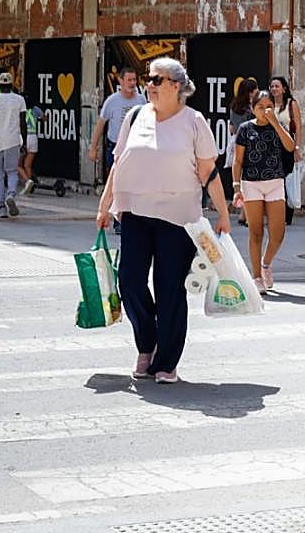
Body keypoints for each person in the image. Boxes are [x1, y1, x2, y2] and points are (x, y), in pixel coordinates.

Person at [95, 57, 229, 384]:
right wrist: (105, 204)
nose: (149, 85)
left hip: (178, 218)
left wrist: (223, 213)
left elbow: (208, 172)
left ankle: (166, 362)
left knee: (169, 289)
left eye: (157, 80)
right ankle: (147, 343)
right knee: (129, 281)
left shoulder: (194, 121)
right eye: (148, 79)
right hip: (136, 213)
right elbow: (118, 163)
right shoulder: (135, 116)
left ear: (176, 86)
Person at [232, 91, 295, 293]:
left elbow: (290, 146)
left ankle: (266, 263)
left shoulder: (278, 125)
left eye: (269, 106)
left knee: (278, 233)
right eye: (261, 106)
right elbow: (238, 160)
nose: (265, 110)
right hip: (251, 183)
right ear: (253, 108)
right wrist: (236, 186)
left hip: (275, 182)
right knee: (256, 232)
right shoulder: (245, 128)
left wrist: (275, 123)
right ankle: (257, 276)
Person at [89, 66, 145, 230]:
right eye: (129, 80)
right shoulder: (112, 101)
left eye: (134, 80)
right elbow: (100, 124)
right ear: (120, 81)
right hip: (116, 148)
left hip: (136, 148)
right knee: (117, 185)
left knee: (134, 186)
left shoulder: (141, 100)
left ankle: (129, 218)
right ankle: (117, 220)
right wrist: (93, 147)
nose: (132, 83)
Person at [0, 72, 27, 218]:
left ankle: (1, 207)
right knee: (12, 172)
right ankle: (11, 194)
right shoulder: (19, 100)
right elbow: (23, 123)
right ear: (11, 84)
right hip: (13, 141)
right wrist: (24, 142)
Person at [269, 76, 302, 224]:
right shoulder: (268, 105)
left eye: (277, 86)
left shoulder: (291, 104)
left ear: (284, 89)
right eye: (272, 86)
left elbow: (299, 127)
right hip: (271, 148)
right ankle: (276, 214)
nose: (274, 89)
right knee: (275, 180)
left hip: (286, 147)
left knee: (284, 180)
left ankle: (287, 215)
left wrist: (297, 148)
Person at [225, 78, 258, 224]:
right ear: (251, 92)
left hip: (237, 144)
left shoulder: (234, 106)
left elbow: (232, 128)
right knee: (250, 181)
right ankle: (245, 215)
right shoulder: (251, 109)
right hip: (250, 145)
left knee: (243, 179)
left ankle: (243, 214)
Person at [18, 104, 42, 195]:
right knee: (27, 165)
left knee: (17, 165)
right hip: (33, 138)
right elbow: (44, 118)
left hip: (23, 137)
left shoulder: (20, 109)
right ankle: (28, 187)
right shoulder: (35, 109)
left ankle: (27, 181)